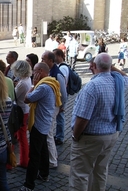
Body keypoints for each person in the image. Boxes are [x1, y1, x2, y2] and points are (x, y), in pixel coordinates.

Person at [69, 53, 128, 191]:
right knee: (100, 172)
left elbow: (83, 118)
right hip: (111, 135)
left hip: (90, 138)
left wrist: (75, 136)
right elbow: (125, 76)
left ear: (93, 66)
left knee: (79, 175)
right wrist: (109, 65)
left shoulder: (92, 86)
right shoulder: (118, 81)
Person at [19, 62, 61, 191]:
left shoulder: (43, 87)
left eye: (35, 70)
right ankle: (44, 173)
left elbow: (27, 99)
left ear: (41, 72)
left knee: (35, 154)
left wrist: (33, 85)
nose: (33, 72)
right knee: (43, 150)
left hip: (39, 124)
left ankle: (29, 184)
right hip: (45, 122)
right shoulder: (51, 82)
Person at [41, 51, 67, 169]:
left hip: (54, 107)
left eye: (44, 59)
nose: (42, 61)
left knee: (49, 133)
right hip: (51, 106)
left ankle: (52, 161)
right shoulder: (51, 72)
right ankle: (53, 157)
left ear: (51, 61)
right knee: (49, 132)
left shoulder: (57, 74)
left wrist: (62, 106)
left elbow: (64, 94)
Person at [11, 60, 32, 168]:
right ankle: (24, 159)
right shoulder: (27, 80)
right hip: (24, 110)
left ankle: (24, 160)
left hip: (20, 111)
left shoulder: (22, 83)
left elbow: (14, 96)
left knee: (21, 136)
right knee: (22, 136)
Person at [53, 49, 70, 145]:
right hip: (60, 94)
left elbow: (62, 84)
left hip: (61, 95)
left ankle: (60, 137)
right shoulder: (60, 67)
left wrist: (62, 103)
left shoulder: (62, 68)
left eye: (55, 56)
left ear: (60, 56)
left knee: (60, 116)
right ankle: (59, 135)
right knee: (59, 116)